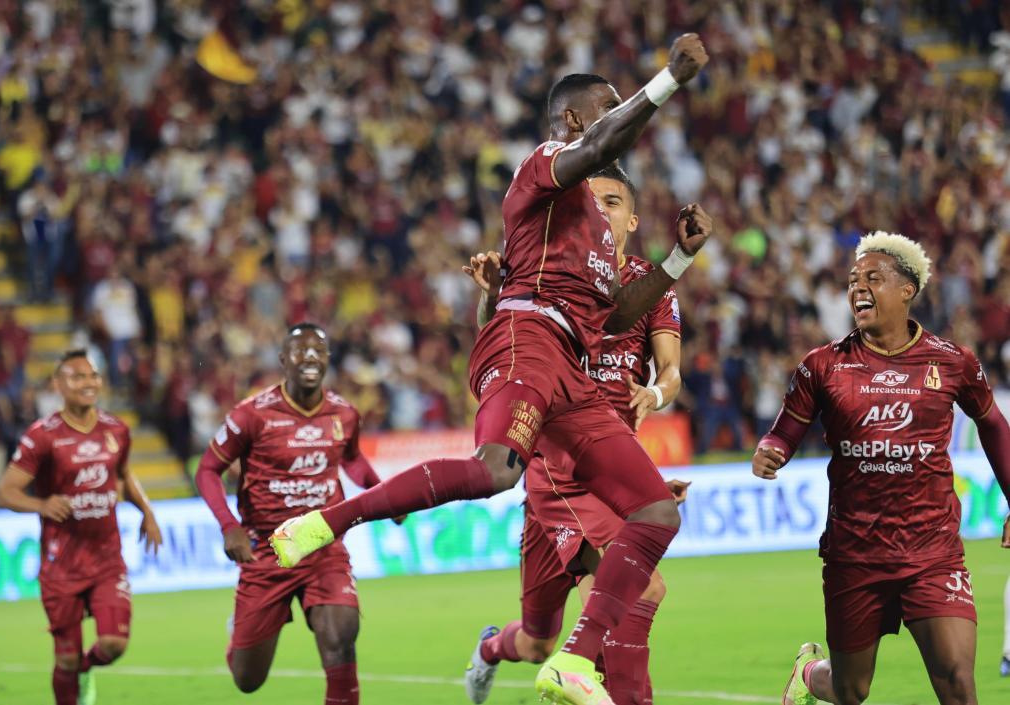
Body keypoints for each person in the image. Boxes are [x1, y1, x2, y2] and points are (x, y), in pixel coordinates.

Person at [273, 35, 711, 705]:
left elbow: (620, 317)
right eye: (607, 106)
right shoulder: (545, 165)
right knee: (494, 470)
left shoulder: (596, 228)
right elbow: (598, 149)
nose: (619, 115)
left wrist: (678, 260)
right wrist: (666, 83)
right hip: (525, 335)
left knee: (655, 510)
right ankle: (333, 519)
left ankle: (573, 660)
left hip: (574, 369)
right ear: (572, 120)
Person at [750, 232, 1010, 705]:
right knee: (852, 689)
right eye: (853, 281)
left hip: (932, 551)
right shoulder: (823, 365)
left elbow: (992, 424)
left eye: (872, 278)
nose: (858, 288)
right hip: (856, 553)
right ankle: (809, 676)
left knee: (957, 683)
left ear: (907, 289)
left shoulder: (952, 362)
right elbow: (784, 431)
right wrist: (770, 450)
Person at [461, 166, 687, 705]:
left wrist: (653, 397)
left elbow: (671, 373)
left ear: (631, 218)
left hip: (604, 463)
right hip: (553, 457)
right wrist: (491, 294)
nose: (601, 209)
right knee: (636, 591)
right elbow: (503, 347)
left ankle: (495, 650)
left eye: (613, 201)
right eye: (593, 200)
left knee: (539, 639)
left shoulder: (649, 284)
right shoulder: (551, 264)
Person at [195, 324, 397, 705]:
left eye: (317, 352)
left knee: (341, 633)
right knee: (247, 679)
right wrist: (228, 526)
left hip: (321, 541)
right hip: (266, 549)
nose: (309, 359)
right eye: (300, 352)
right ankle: (238, 634)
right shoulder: (251, 415)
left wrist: (384, 496)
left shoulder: (344, 413)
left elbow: (352, 461)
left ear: (327, 361)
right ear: (283, 360)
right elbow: (207, 470)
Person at [0, 350, 163, 705]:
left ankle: (86, 669)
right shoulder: (43, 436)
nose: (88, 384)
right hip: (62, 566)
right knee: (65, 659)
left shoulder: (116, 429)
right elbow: (6, 492)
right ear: (58, 385)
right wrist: (41, 504)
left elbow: (124, 475)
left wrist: (146, 511)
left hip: (107, 561)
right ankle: (75, 674)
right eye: (77, 377)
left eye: (92, 376)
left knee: (114, 644)